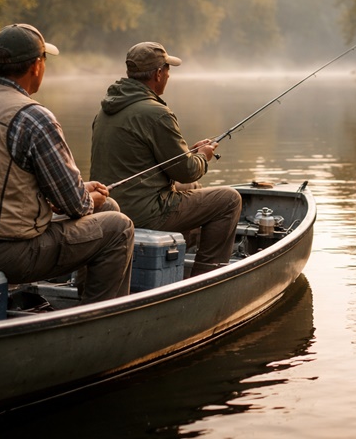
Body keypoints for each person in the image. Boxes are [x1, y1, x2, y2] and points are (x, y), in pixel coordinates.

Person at [0, 23, 134, 304]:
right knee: (119, 226)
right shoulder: (33, 116)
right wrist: (90, 198)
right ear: (36, 66)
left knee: (106, 207)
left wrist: (82, 189)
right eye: (45, 61)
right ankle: (96, 318)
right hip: (2, 255)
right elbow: (77, 205)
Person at [89, 42, 242, 277]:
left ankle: (175, 253)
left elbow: (146, 161)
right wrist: (204, 156)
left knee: (193, 188)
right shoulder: (156, 113)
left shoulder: (106, 110)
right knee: (228, 200)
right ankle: (207, 276)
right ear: (158, 74)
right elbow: (187, 171)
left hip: (108, 207)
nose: (169, 75)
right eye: (168, 70)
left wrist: (189, 152)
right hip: (144, 212)